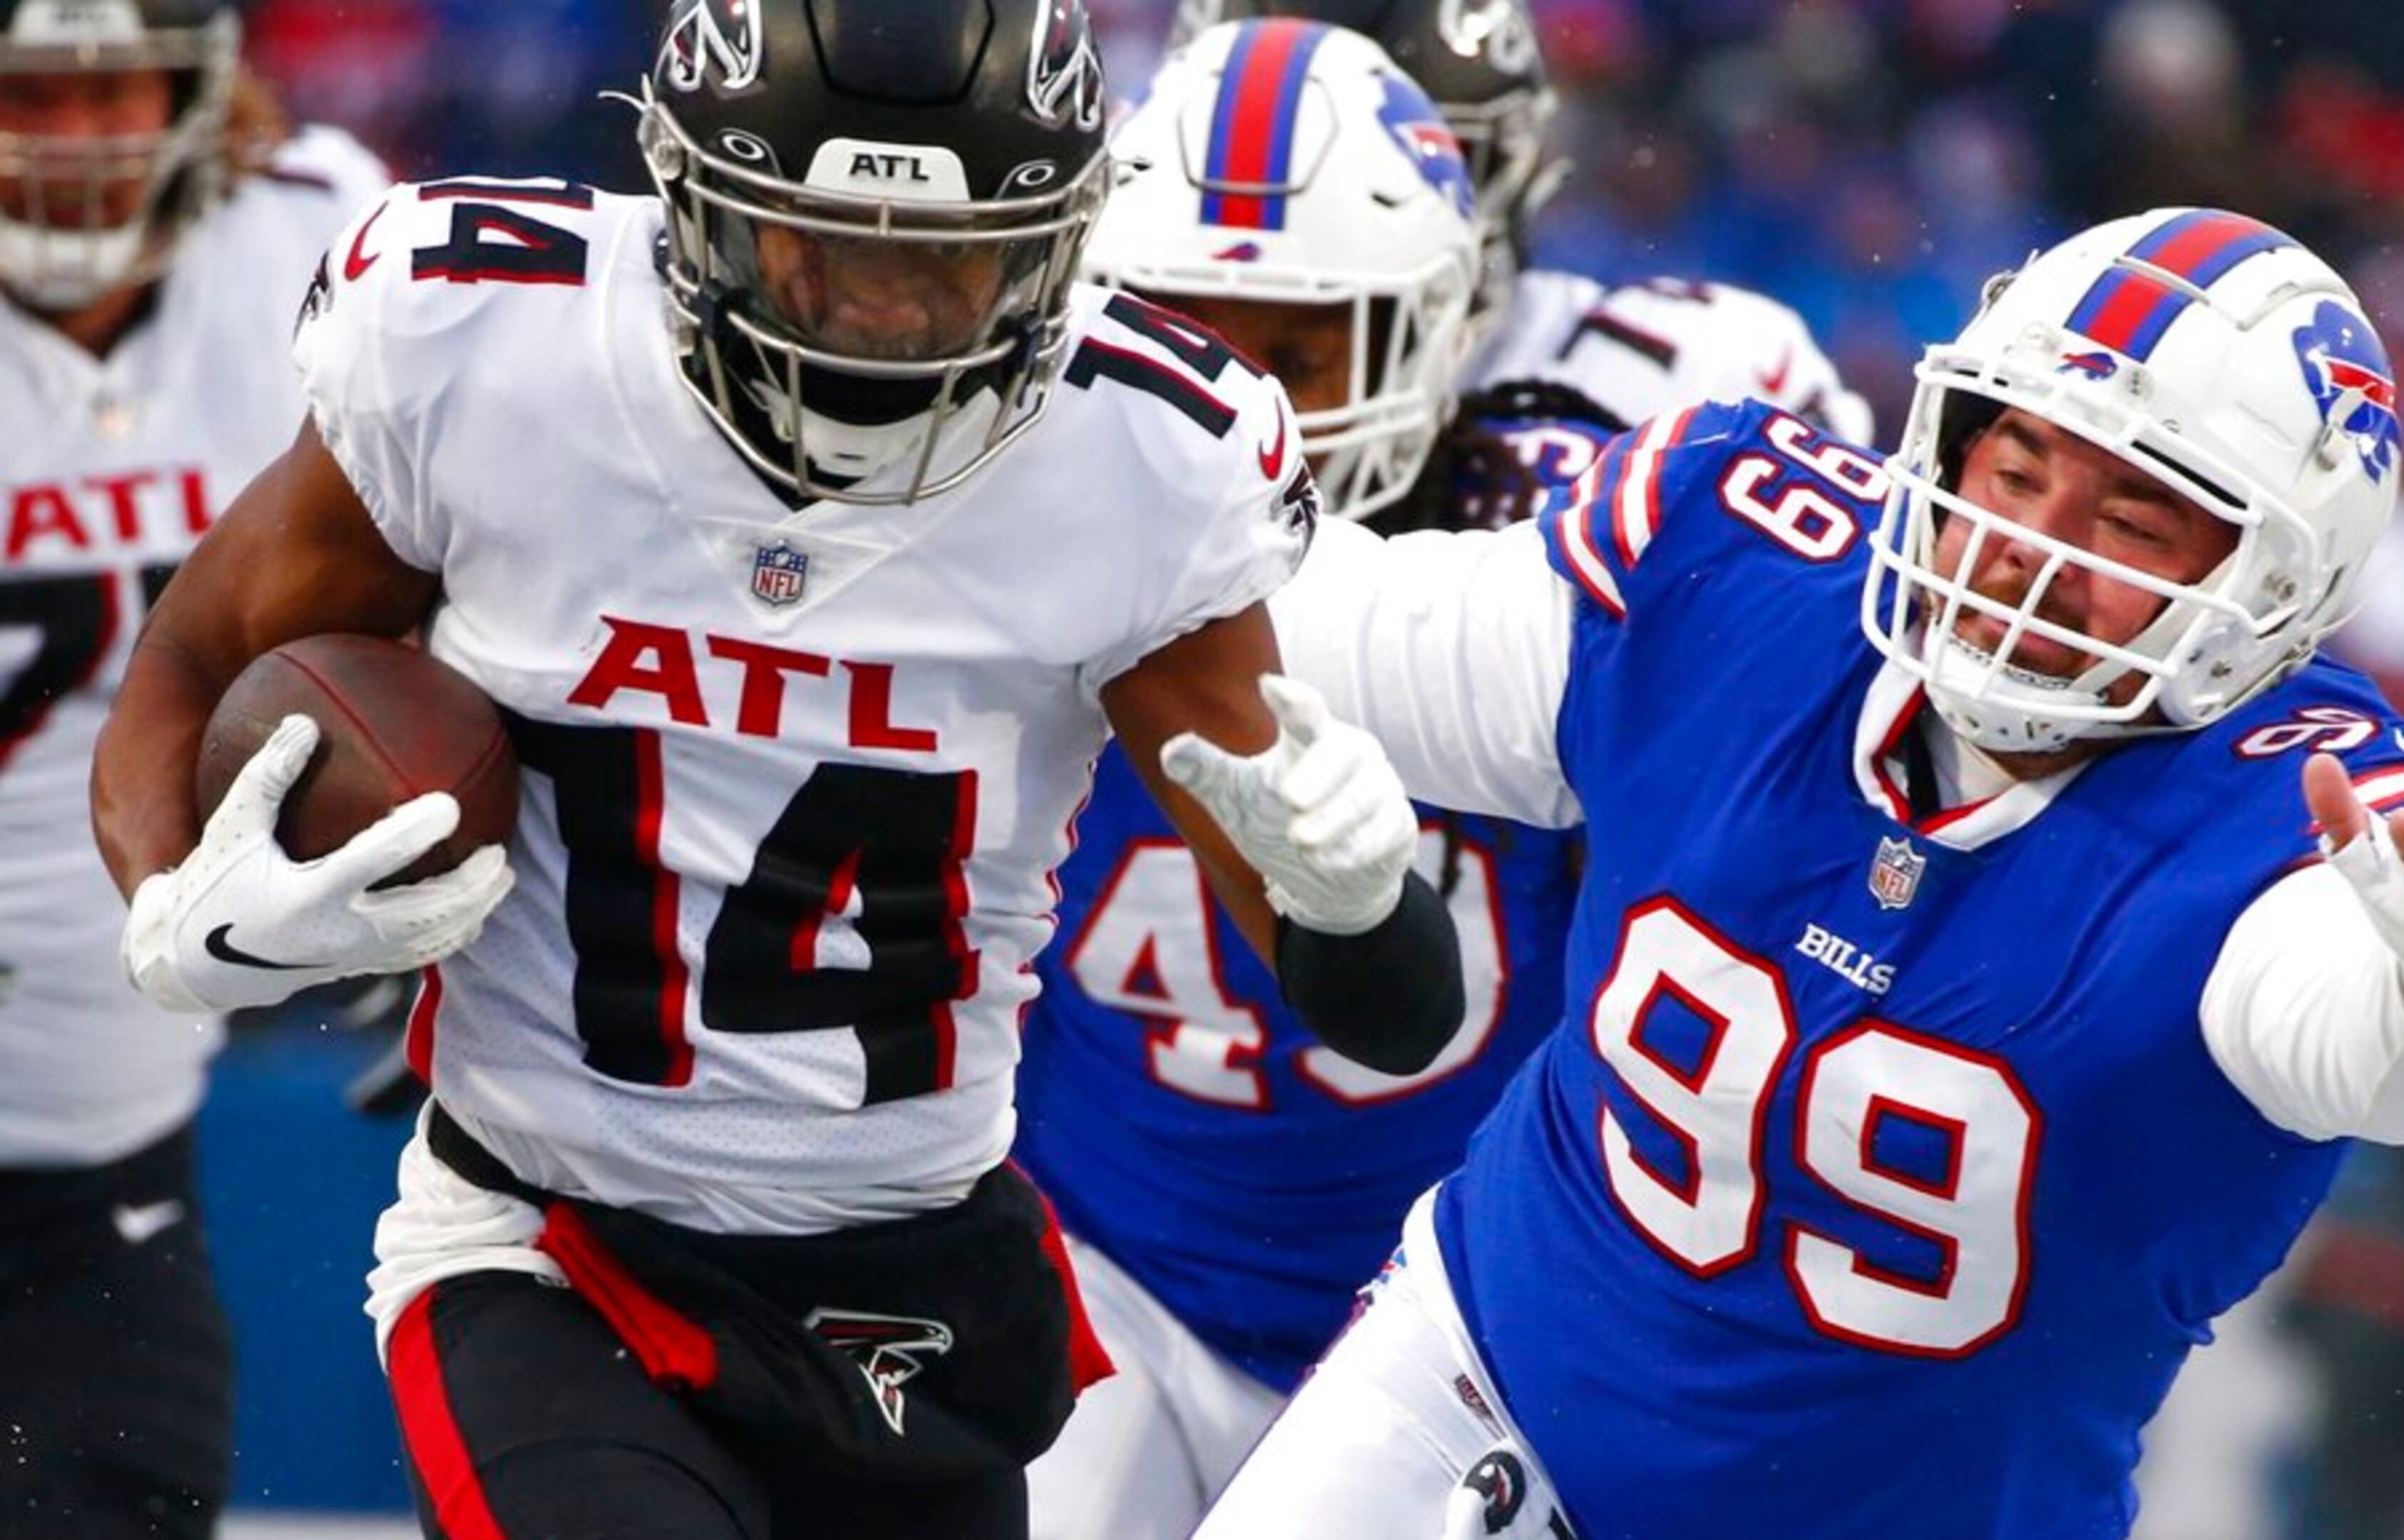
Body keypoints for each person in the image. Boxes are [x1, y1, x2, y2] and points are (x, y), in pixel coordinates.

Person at [87, 3, 1463, 1539]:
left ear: (1061, 240)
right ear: (688, 199)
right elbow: (193, 660)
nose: (879, 318)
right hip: (552, 1244)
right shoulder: (479, 348)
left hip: (917, 1279)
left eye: (946, 262)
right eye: (826, 249)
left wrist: (1357, 894)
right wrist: (170, 901)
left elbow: (1391, 1014)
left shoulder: (1141, 463)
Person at [1200, 207, 2404, 1539]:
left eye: (2133, 523)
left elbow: (2367, 1044)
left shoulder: (2302, 818)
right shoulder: (1743, 576)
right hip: (1472, 1394)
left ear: (2277, 588)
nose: (2029, 546)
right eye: (2017, 471)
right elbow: (1312, 625)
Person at [1012, 15, 1873, 1536]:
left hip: (1470, 1297)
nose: (1244, 393)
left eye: (1299, 342)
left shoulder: (1617, 462)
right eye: (1192, 319)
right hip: (1099, 1254)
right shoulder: (1020, 450)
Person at [0, 3, 386, 1535]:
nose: (77, 143)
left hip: (106, 1151)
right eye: (32, 89)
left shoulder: (323, 254)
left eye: (117, 90)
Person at [1167, 0, 1874, 446]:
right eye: (1286, 160)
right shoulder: (1093, 371)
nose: (1328, 212)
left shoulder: (1686, 381)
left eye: (1396, 165)